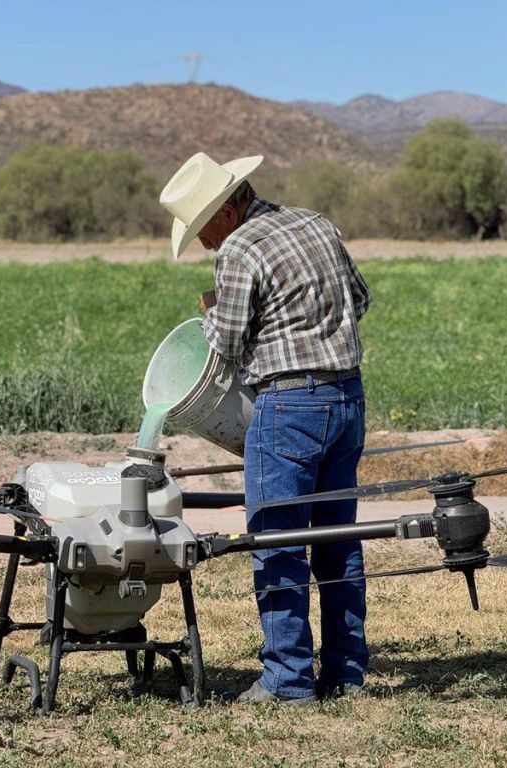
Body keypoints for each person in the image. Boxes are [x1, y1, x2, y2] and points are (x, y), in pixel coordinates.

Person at [159, 152, 372, 705]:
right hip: (347, 398)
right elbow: (362, 299)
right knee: (336, 540)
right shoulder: (315, 223)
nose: (204, 241)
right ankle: (346, 670)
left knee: (277, 543)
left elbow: (226, 346)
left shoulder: (238, 249)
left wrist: (211, 311)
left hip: (289, 407)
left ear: (227, 211)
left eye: (203, 227)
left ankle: (287, 680)